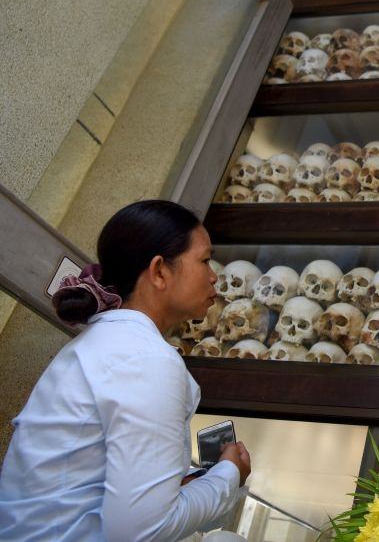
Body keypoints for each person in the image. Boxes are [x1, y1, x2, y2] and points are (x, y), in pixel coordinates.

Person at [0, 200, 251, 540]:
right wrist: (228, 474)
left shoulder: (112, 343)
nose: (213, 275)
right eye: (204, 260)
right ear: (160, 271)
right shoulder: (146, 359)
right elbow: (143, 531)